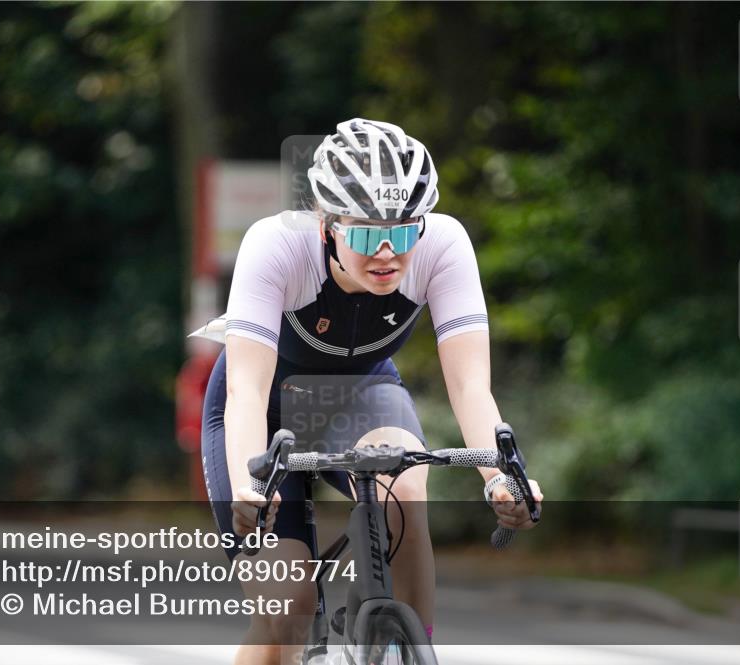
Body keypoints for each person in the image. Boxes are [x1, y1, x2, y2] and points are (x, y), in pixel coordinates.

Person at [196, 118, 544, 665]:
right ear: (327, 224)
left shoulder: (444, 243)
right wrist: (247, 483)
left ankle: (413, 645)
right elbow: (244, 389)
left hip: (361, 396)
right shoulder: (275, 246)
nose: (387, 252)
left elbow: (469, 384)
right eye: (365, 233)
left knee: (405, 487)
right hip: (261, 411)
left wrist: (501, 476)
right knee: (287, 610)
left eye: (404, 230)